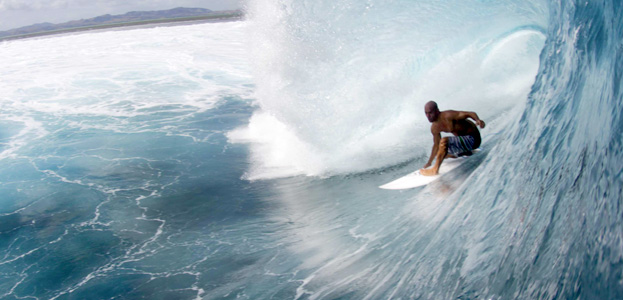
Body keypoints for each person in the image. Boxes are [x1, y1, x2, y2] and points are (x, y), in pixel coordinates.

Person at [420, 101, 485, 176]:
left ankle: (435, 170)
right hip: (464, 143)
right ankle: (462, 153)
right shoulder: (434, 128)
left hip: (473, 140)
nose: (428, 116)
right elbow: (436, 145)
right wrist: (429, 162)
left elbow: (469, 113)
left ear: (437, 111)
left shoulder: (448, 115)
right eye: (426, 113)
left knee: (444, 141)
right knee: (439, 153)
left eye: (430, 113)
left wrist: (477, 120)